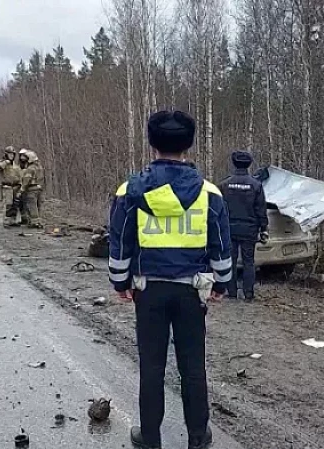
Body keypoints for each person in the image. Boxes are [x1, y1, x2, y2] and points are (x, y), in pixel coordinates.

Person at [108, 110, 232, 449]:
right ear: (188, 145)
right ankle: (198, 437)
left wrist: (120, 282)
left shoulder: (130, 190)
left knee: (152, 367)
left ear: (153, 144)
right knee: (193, 366)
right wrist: (222, 283)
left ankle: (150, 438)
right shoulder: (209, 193)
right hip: (192, 292)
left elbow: (120, 241)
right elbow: (221, 245)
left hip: (148, 291)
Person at [218, 150, 268, 301]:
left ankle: (232, 292)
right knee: (249, 262)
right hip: (249, 229)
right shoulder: (256, 185)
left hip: (229, 228)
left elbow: (219, 208)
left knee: (230, 261)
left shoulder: (224, 185)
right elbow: (261, 209)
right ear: (249, 164)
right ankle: (249, 294)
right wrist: (263, 228)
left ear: (234, 163)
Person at [0, 146, 22, 227]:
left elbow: (19, 175)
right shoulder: (2, 162)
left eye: (12, 154)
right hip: (7, 186)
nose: (11, 156)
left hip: (16, 186)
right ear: (6, 154)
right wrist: (5, 162)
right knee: (8, 203)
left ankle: (12, 220)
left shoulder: (15, 165)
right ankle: (6, 221)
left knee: (15, 204)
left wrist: (20, 184)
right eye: (9, 154)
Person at [17, 148, 44, 228]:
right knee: (38, 206)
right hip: (39, 189)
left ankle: (34, 223)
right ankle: (37, 221)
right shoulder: (39, 167)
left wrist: (21, 190)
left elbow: (26, 181)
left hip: (31, 190)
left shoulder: (30, 168)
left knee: (32, 207)